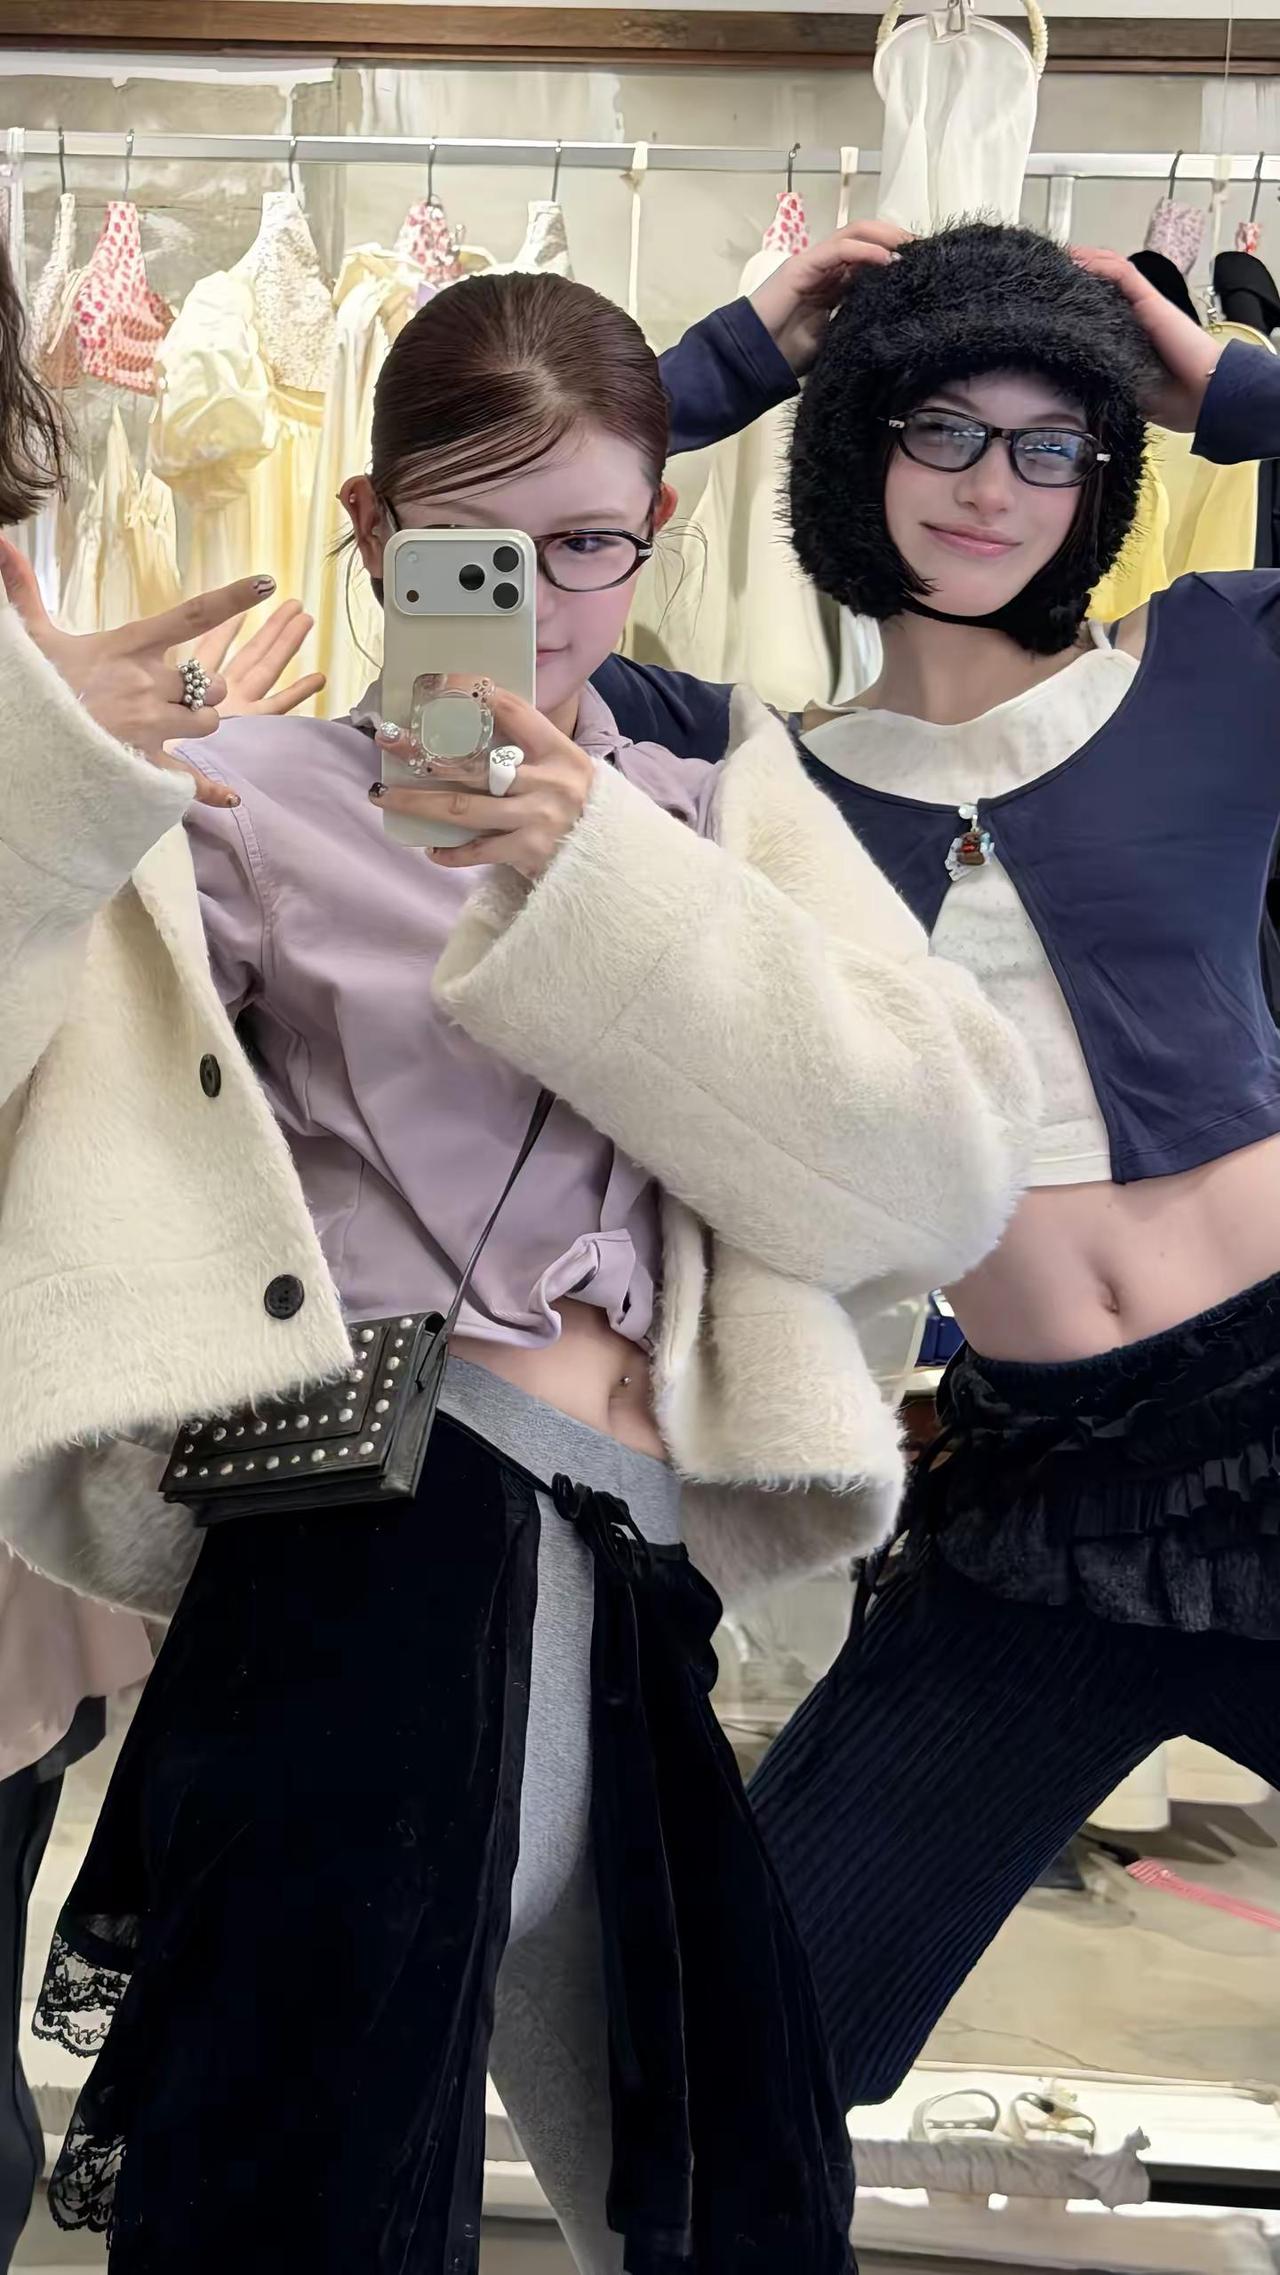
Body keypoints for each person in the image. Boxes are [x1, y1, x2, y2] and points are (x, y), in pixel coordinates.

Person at [2, 263, 1035, 2272]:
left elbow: (937, 1174)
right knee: (304, 2191)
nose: (543, 606)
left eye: (588, 545)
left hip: (632, 1572)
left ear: (658, 532)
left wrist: (594, 872)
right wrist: (44, 785)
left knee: (744, 2187)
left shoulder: (717, 811)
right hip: (370, 1539)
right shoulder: (249, 801)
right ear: (374, 530)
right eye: (474, 548)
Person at [720, 220, 1280, 2111]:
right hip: (1036, 1488)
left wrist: (1223, 387)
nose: (993, 488)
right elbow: (476, 590)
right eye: (943, 427)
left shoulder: (1221, 657)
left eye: (1055, 443)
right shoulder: (747, 774)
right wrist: (737, 353)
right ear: (856, 439)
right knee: (757, 2025)